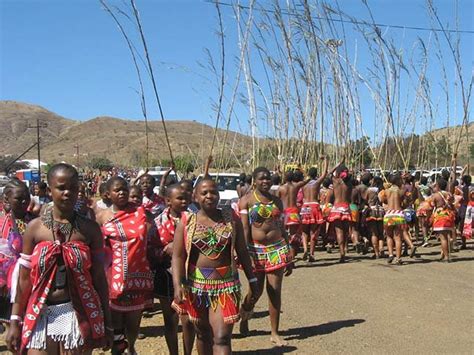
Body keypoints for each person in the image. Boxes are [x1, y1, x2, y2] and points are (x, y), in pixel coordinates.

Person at [6, 163, 112, 354]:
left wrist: (109, 322)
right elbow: (23, 279)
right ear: (50, 188)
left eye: (73, 188)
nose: (67, 193)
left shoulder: (90, 229)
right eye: (61, 187)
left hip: (78, 314)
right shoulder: (35, 228)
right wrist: (15, 320)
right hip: (41, 312)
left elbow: (98, 277)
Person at [172, 177, 258, 355]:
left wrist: (252, 278)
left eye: (213, 192)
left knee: (221, 337)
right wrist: (177, 284)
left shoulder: (230, 219)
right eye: (204, 193)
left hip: (226, 286)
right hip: (196, 288)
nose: (209, 196)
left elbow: (242, 251)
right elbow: (178, 256)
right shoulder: (187, 221)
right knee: (202, 335)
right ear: (195, 197)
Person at [97, 176, 153, 354]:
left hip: (138, 276)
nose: (122, 192)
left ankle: (132, 347)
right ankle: (119, 349)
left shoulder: (140, 212)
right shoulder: (102, 217)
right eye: (117, 190)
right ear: (108, 194)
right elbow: (97, 247)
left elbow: (154, 228)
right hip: (113, 278)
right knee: (117, 324)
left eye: (124, 189)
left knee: (133, 323)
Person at [239, 167, 292, 347]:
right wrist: (245, 253)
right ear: (254, 180)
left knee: (274, 290)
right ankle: (245, 313)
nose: (265, 181)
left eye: (268, 178)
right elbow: (245, 229)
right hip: (255, 250)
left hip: (276, 249)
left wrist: (289, 248)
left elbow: (282, 226)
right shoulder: (245, 201)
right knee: (255, 291)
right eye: (262, 178)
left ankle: (274, 333)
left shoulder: (277, 200)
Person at [147, 184, 195, 355]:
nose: (184, 201)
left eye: (186, 198)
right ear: (168, 201)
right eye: (179, 198)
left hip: (191, 275)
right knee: (171, 320)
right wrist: (165, 250)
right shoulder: (157, 223)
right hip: (166, 276)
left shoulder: (196, 219)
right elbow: (149, 251)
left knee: (189, 320)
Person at [0, 179, 34, 332]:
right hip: (6, 283)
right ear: (6, 199)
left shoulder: (35, 221)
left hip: (31, 278)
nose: (24, 201)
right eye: (19, 198)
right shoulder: (2, 224)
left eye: (27, 197)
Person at [300, 157, 328, 262]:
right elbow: (325, 173)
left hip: (305, 207)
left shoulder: (304, 184)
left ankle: (305, 250)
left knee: (304, 232)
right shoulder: (316, 183)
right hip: (314, 206)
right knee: (313, 232)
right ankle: (311, 253)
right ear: (316, 174)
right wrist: (326, 160)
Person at [278, 170, 310, 259]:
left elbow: (276, 201)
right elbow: (308, 179)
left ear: (285, 178)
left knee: (282, 236)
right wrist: (302, 170)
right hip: (294, 213)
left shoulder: (281, 188)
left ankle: (285, 257)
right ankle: (291, 259)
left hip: (284, 214)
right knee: (293, 237)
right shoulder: (296, 186)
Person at [327, 159, 353, 263]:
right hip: (346, 207)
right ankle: (345, 248)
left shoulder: (336, 182)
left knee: (339, 232)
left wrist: (338, 164)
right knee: (346, 231)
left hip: (337, 208)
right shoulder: (349, 184)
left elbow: (328, 173)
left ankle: (342, 252)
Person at [381, 173, 409, 265]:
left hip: (389, 215)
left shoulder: (386, 191)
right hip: (398, 214)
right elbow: (405, 204)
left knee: (389, 236)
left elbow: (383, 200)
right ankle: (398, 258)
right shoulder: (401, 191)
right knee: (398, 238)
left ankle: (390, 254)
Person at [431, 178, 456, 262]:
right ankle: (447, 254)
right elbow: (452, 202)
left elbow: (432, 204)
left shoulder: (435, 195)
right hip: (449, 216)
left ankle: (446, 257)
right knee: (448, 236)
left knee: (443, 238)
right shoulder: (449, 194)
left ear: (437, 186)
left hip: (440, 216)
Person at [363, 176, 385, 258]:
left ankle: (376, 253)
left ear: (374, 182)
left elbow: (365, 200)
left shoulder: (369, 190)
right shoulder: (382, 190)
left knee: (374, 233)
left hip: (372, 211)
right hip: (381, 211)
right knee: (381, 233)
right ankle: (382, 248)